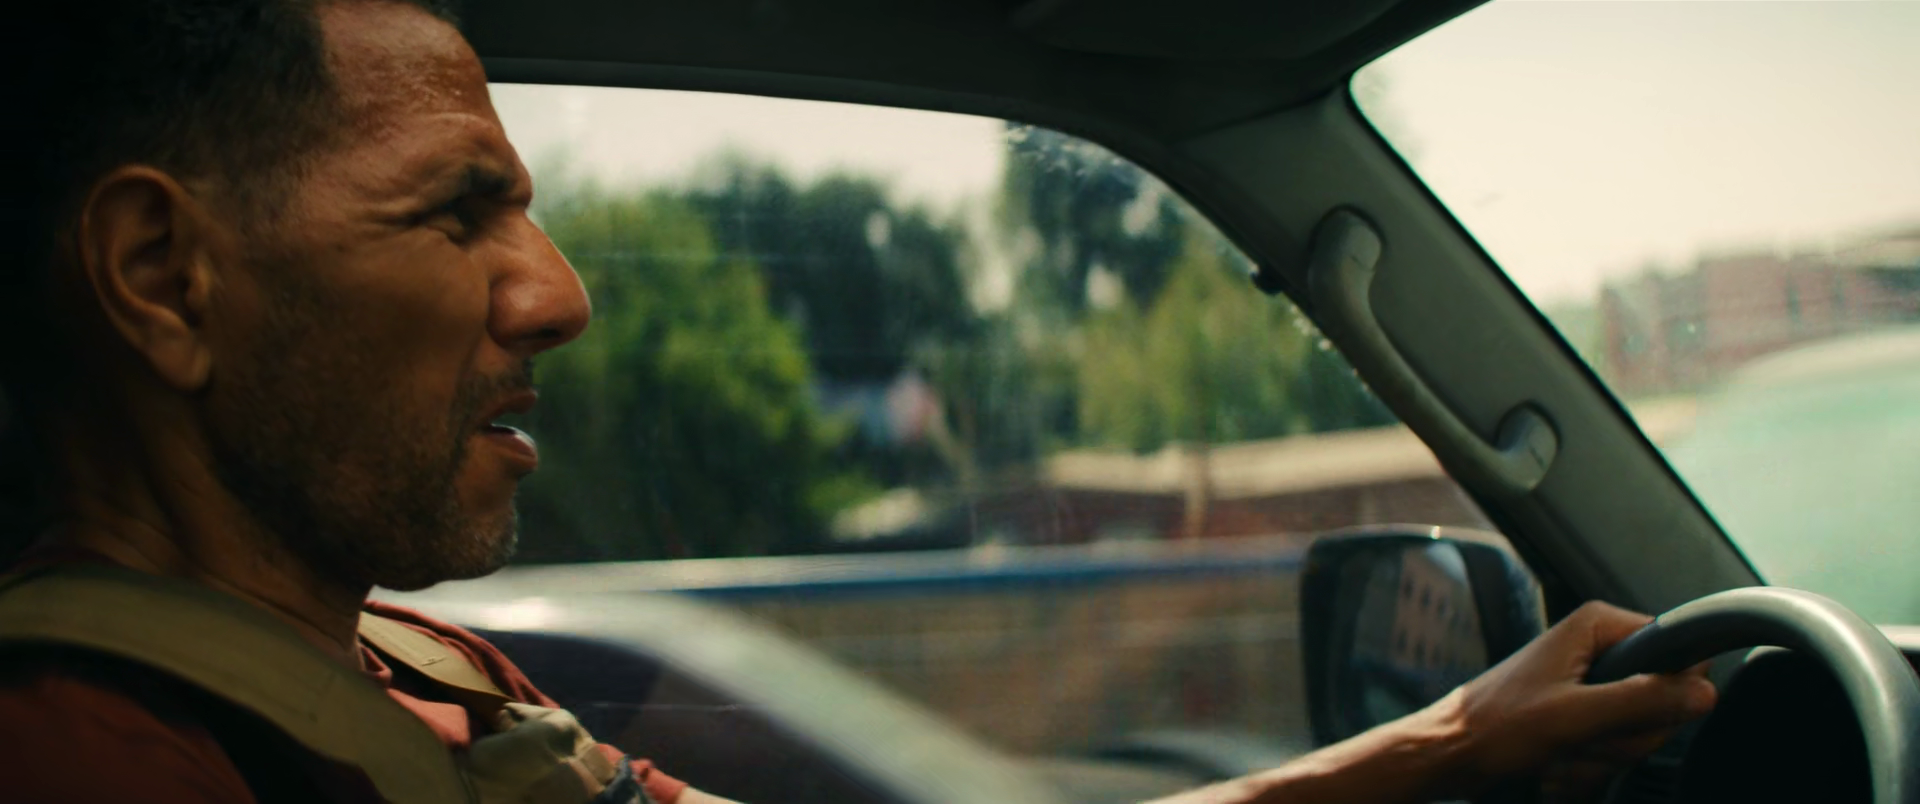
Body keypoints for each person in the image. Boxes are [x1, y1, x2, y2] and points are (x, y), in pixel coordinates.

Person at [0, 1, 1717, 802]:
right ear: (162, 276)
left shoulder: (403, 668)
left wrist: (1439, 745)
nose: (560, 295)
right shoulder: (95, 760)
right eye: (458, 214)